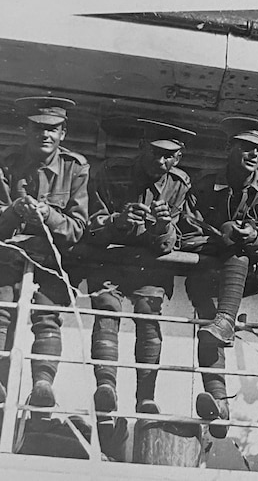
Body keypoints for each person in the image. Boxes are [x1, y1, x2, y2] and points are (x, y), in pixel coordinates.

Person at [180, 116, 258, 438]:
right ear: (230, 148)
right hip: (206, 274)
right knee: (208, 327)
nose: (253, 155)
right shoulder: (203, 185)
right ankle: (220, 404)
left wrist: (252, 236)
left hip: (246, 278)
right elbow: (184, 235)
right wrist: (221, 237)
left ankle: (225, 321)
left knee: (237, 258)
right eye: (246, 148)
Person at [0, 96, 90, 409]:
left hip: (51, 262)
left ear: (63, 134)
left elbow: (77, 228)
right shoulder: (5, 166)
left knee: (47, 318)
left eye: (53, 129)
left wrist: (48, 214)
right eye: (37, 128)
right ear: (25, 130)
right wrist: (16, 210)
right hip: (10, 256)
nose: (45, 135)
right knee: (1, 313)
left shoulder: (76, 169)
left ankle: (43, 385)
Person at [84, 118, 195, 414]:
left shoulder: (178, 185)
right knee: (106, 310)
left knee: (149, 318)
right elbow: (89, 225)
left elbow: (175, 241)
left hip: (148, 266)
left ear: (178, 157)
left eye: (169, 156)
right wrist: (116, 221)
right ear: (141, 147)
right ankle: (105, 387)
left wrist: (163, 227)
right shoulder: (111, 172)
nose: (161, 161)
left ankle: (146, 397)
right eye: (154, 153)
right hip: (110, 261)